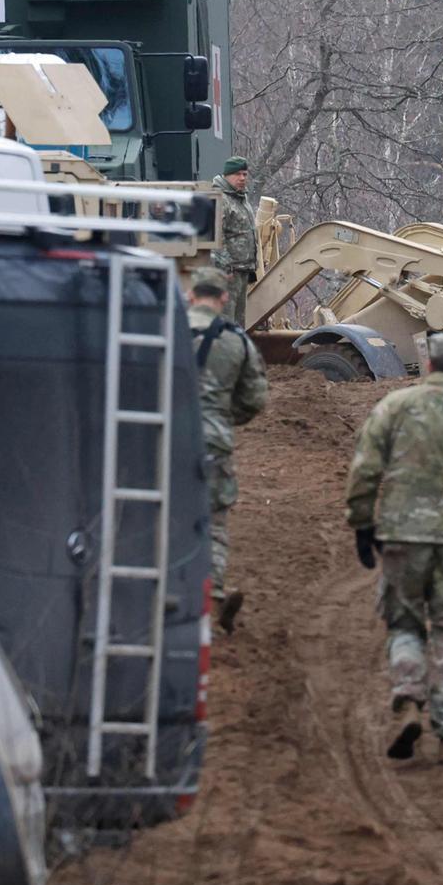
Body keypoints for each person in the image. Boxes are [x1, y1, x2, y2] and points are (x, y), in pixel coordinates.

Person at [345, 333, 443, 766]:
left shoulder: (394, 407)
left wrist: (362, 524)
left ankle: (408, 701)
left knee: (405, 624)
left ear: (428, 365)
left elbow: (365, 470)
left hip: (402, 537)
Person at [188, 266, 270, 633]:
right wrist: (222, 418)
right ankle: (212, 595)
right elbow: (255, 398)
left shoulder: (161, 328)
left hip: (157, 437)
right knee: (213, 523)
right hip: (212, 440)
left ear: (191, 295)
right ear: (224, 298)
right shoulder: (236, 340)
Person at [210, 157, 258, 324]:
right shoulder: (221, 199)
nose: (242, 178)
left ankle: (236, 348)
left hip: (242, 269)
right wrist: (225, 267)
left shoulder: (240, 198)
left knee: (238, 321)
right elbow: (215, 236)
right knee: (226, 320)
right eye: (238, 174)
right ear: (227, 175)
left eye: (245, 174)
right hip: (229, 272)